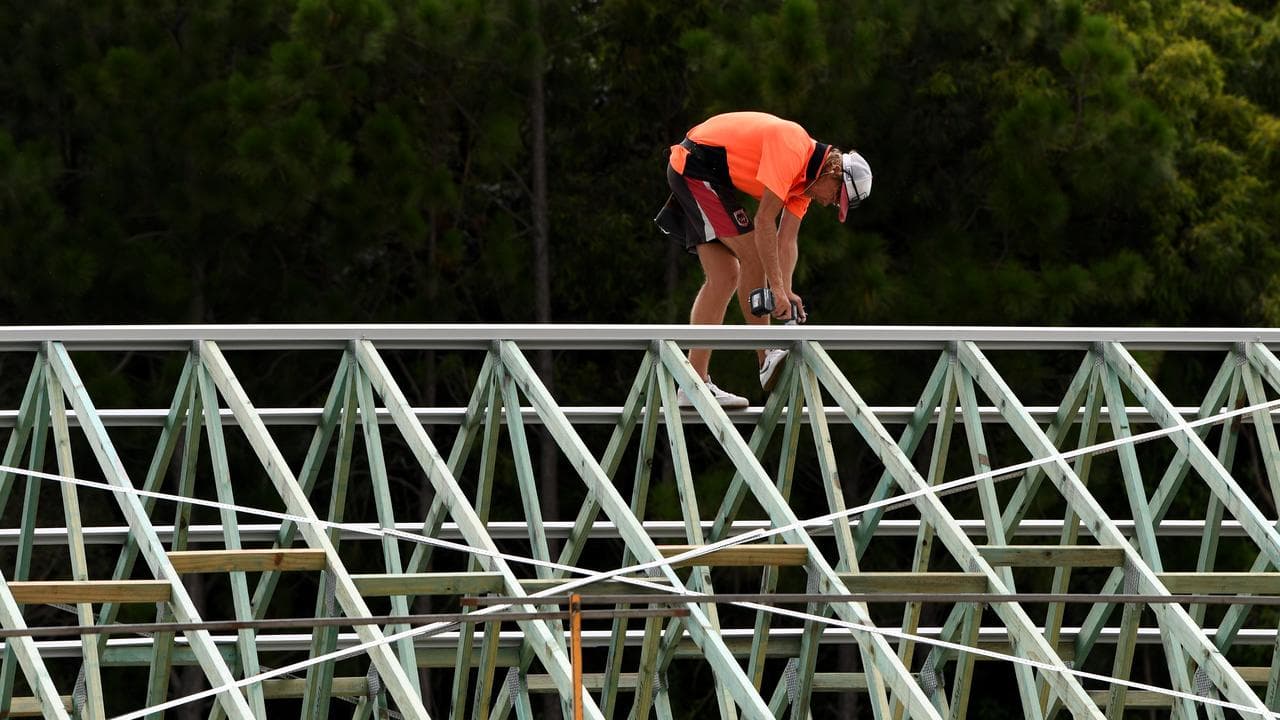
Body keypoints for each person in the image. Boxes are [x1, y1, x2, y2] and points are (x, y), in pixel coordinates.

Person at [655, 111, 872, 408]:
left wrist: (787, 289)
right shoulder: (793, 147)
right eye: (836, 196)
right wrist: (776, 291)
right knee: (753, 257)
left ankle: (693, 385)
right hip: (694, 165)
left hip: (703, 173)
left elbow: (786, 241)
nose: (828, 203)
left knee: (724, 276)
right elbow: (765, 221)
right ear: (834, 172)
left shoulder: (805, 185)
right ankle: (766, 355)